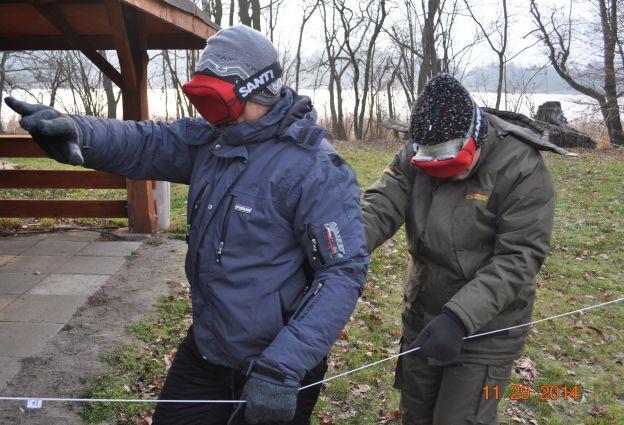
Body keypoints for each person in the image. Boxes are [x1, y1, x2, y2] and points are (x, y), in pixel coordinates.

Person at [5, 25, 369, 425]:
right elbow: (146, 141)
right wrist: (78, 131)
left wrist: (283, 367)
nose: (208, 115)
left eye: (214, 101)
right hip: (208, 350)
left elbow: (342, 272)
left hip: (275, 368)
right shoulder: (214, 142)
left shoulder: (315, 169)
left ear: (257, 88)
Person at [362, 74, 572, 424]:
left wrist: (459, 317)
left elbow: (519, 258)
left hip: (485, 329)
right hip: (423, 315)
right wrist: (342, 245)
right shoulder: (420, 143)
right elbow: (384, 199)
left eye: (450, 159)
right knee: (416, 415)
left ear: (474, 135)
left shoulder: (521, 167)